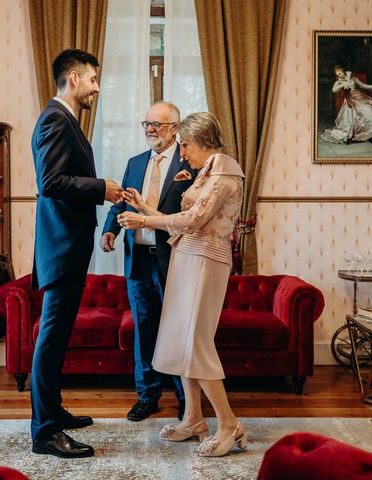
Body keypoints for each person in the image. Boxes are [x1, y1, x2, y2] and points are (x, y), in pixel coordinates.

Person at [118, 112, 247, 457]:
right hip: (186, 256)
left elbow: (196, 218)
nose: (183, 152)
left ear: (203, 141)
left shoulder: (224, 171)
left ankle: (229, 423)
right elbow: (180, 223)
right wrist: (142, 206)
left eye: (186, 144)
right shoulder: (207, 170)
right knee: (179, 338)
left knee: (195, 341)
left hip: (206, 260)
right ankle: (193, 418)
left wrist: (145, 219)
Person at [30, 48, 123, 459]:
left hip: (67, 246)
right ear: (72, 78)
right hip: (62, 248)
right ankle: (45, 431)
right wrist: (101, 187)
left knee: (58, 336)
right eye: (92, 79)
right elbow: (51, 182)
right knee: (51, 339)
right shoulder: (54, 119)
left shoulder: (63, 120)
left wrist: (100, 188)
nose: (96, 87)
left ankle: (53, 412)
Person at [100, 101, 194, 422]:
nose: (150, 129)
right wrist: (109, 231)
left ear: (174, 129)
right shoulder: (135, 163)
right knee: (144, 330)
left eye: (157, 124)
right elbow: (122, 203)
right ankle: (148, 396)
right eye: (146, 123)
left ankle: (186, 399)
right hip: (138, 259)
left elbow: (190, 215)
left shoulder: (189, 163)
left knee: (179, 330)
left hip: (176, 260)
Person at [321, 65, 372, 145]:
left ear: (343, 71)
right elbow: (334, 90)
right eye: (337, 75)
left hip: (360, 96)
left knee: (368, 107)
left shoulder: (353, 78)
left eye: (340, 73)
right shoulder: (339, 82)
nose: (339, 76)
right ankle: (369, 131)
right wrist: (341, 84)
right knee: (361, 109)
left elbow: (364, 86)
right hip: (350, 99)